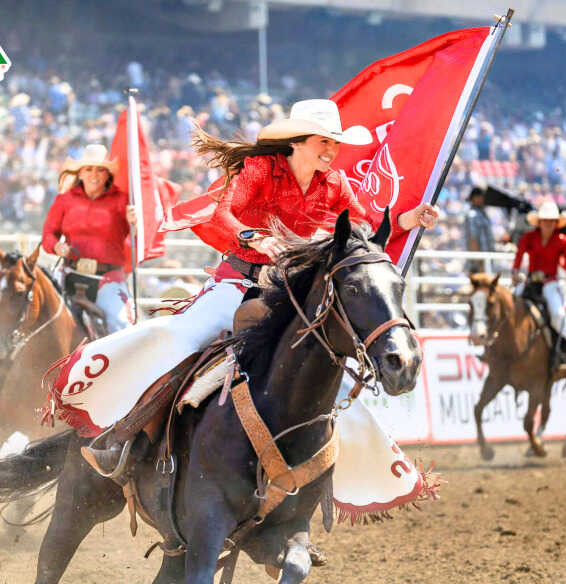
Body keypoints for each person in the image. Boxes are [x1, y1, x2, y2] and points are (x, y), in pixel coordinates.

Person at [61, 99, 438, 471]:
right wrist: (253, 237)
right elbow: (224, 211)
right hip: (238, 282)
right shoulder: (261, 169)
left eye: (335, 143)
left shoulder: (334, 183)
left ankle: (342, 470)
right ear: (298, 142)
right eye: (325, 141)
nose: (332, 150)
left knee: (327, 371)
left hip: (286, 295)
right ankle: (122, 437)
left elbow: (366, 229)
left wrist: (409, 219)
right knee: (180, 340)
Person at [42, 144, 137, 333]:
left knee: (122, 328)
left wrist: (134, 223)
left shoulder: (124, 200)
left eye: (100, 169)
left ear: (107, 174)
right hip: (68, 274)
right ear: (80, 173)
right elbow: (48, 235)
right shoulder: (64, 200)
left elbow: (135, 238)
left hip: (107, 278)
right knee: (38, 318)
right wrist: (56, 247)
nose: (94, 174)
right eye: (89, 169)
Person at [512, 200, 566, 354]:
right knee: (510, 305)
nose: (548, 224)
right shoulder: (529, 238)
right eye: (545, 220)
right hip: (530, 282)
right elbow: (519, 255)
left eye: (552, 220)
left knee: (557, 315)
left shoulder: (563, 241)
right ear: (539, 221)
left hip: (551, 283)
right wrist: (515, 272)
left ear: (556, 222)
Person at [464, 186, 494, 273]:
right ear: (475, 198)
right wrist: (478, 261)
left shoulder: (481, 213)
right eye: (481, 197)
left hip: (485, 259)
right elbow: (472, 239)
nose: (484, 200)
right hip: (480, 262)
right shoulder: (472, 215)